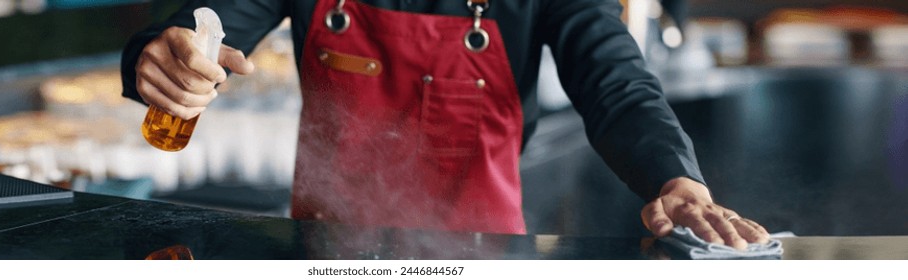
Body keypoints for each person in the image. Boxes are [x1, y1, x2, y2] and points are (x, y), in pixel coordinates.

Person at [121, 0, 769, 249]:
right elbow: (201, 22)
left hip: (486, 255)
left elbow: (616, 81)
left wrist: (674, 176)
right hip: (328, 250)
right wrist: (155, 55)